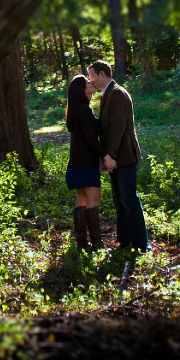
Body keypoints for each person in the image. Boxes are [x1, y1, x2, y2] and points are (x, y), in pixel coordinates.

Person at [88, 60, 149, 252]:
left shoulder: (118, 94)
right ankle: (125, 243)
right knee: (120, 203)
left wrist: (110, 156)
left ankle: (141, 244)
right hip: (114, 158)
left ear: (103, 74)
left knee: (129, 200)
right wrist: (106, 157)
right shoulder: (107, 95)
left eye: (92, 77)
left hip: (124, 157)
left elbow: (118, 128)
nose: (92, 81)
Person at [65, 73, 104, 250]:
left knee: (81, 198)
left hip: (76, 161)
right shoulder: (84, 110)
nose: (91, 82)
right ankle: (96, 244)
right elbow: (90, 138)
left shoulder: (76, 109)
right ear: (82, 90)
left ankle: (82, 243)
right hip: (86, 162)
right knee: (94, 200)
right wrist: (105, 155)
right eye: (87, 82)